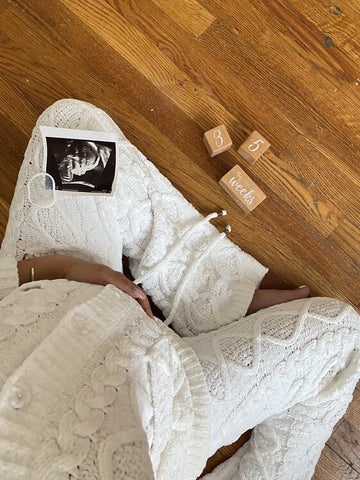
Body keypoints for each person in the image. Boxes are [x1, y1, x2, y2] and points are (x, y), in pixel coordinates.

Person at [0, 99, 359, 480]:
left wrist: (59, 269)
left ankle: (214, 300)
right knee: (342, 338)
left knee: (72, 131)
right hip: (172, 407)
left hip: (42, 291)